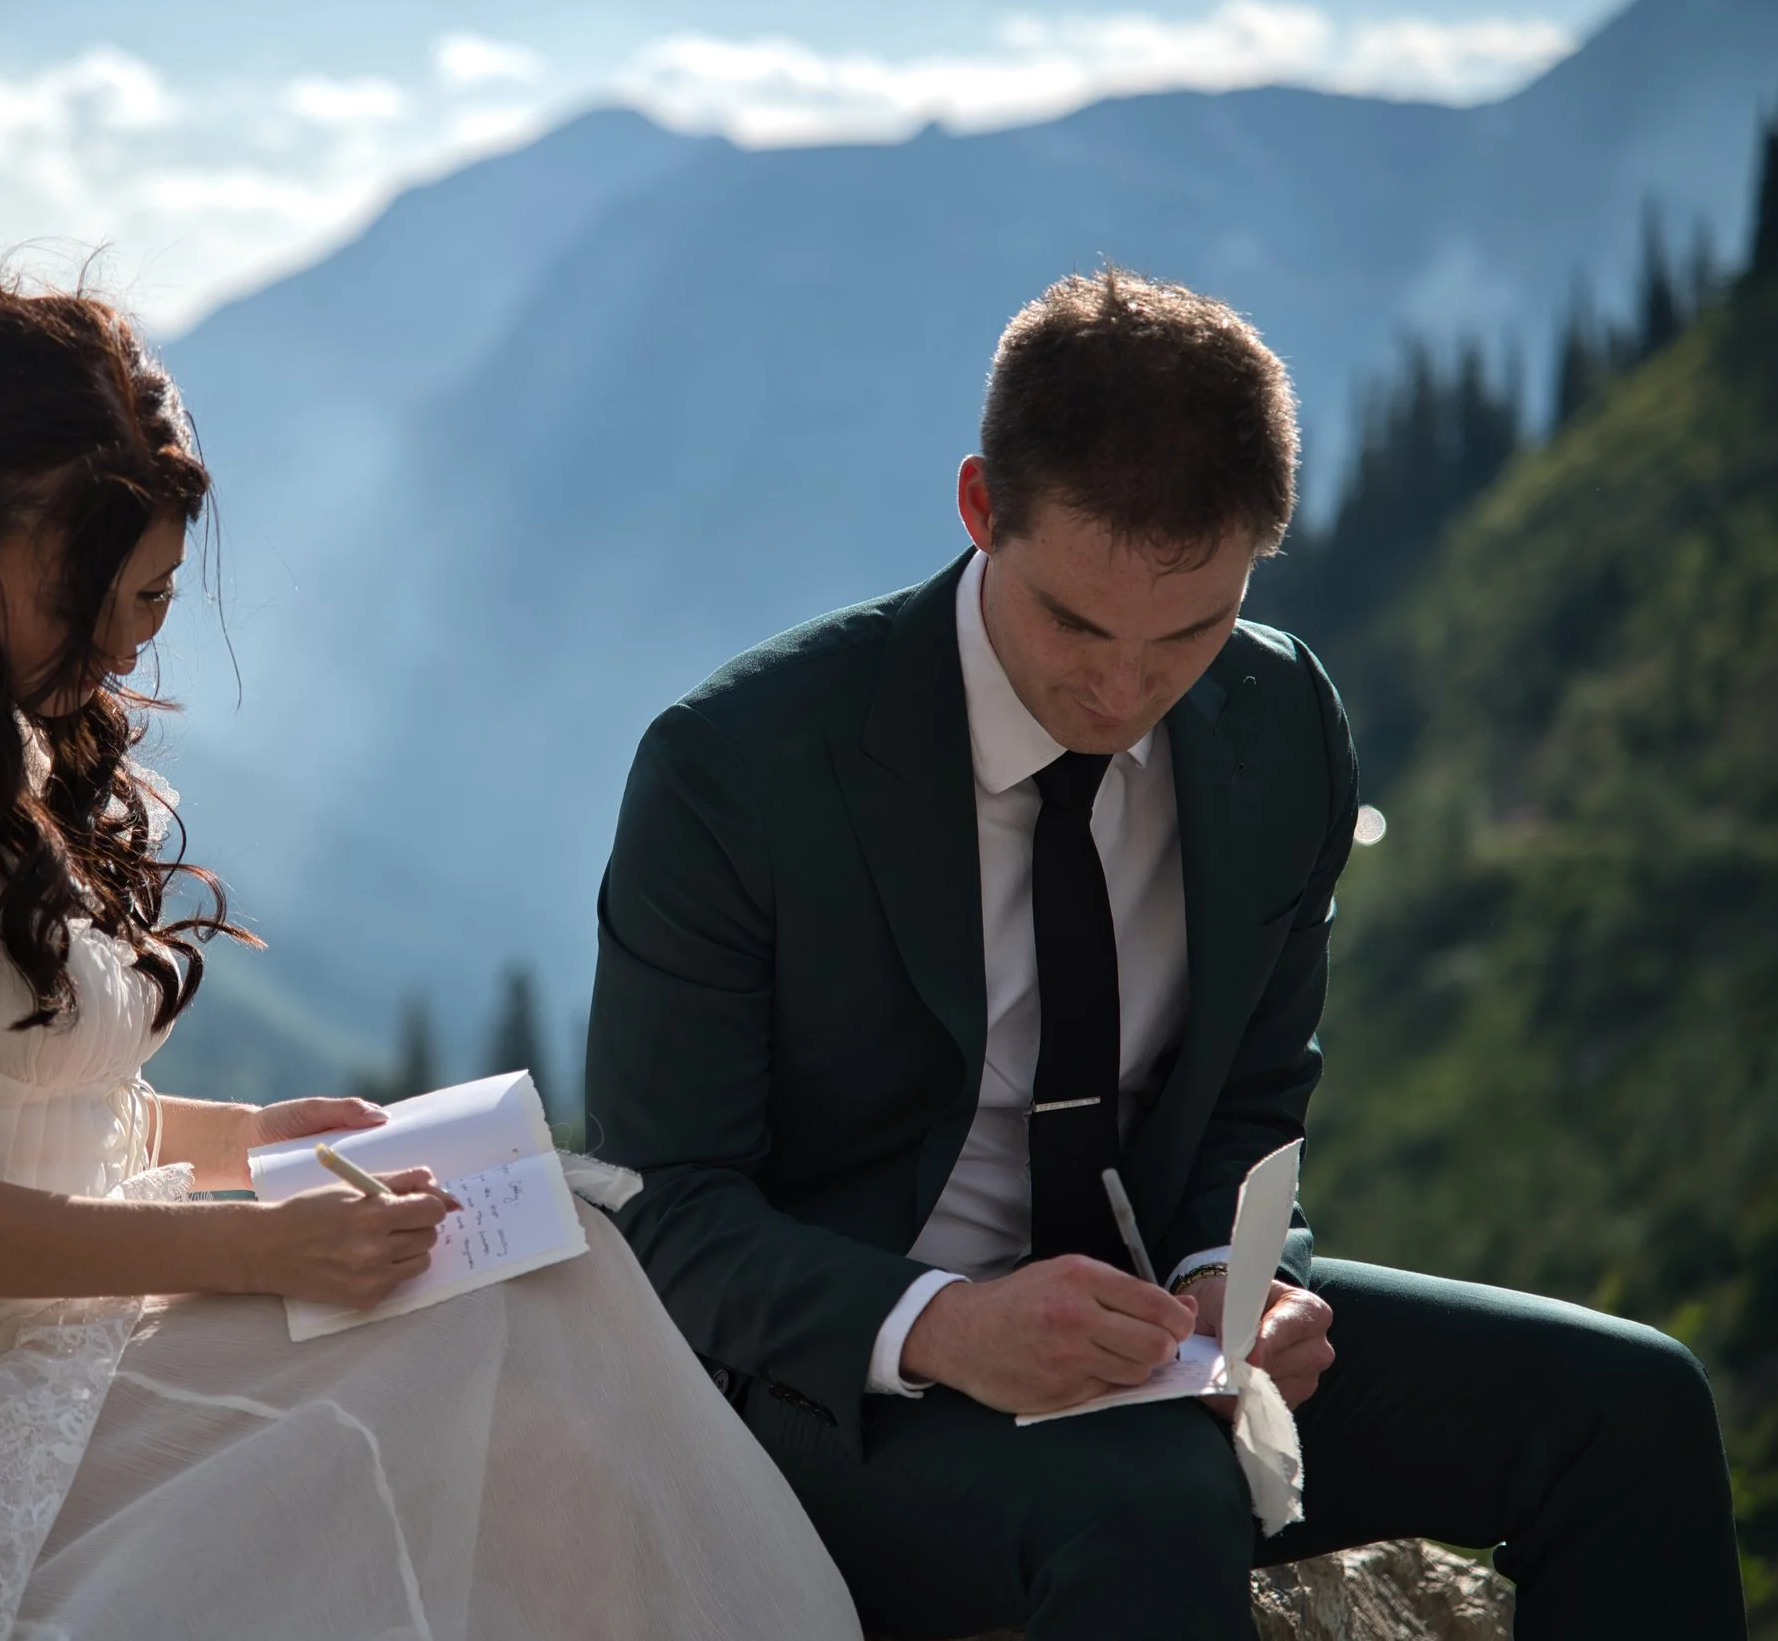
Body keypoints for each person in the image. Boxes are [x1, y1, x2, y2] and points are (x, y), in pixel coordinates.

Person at [0, 260, 863, 1641]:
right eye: (91, 600)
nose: (121, 650)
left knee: (559, 1266)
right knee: (490, 1341)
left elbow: (25, 1112)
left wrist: (260, 1138)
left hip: (59, 1348)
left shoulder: (20, 721)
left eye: (152, 604)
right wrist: (258, 1246)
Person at [585, 266, 1748, 1640]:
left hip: (1164, 1350)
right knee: (1147, 1502)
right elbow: (671, 1207)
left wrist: (1231, 1272)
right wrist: (943, 1319)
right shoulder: (735, 770)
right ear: (978, 511)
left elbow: (1257, 1084)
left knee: (1633, 1406)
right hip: (855, 1394)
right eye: (1074, 622)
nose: (1122, 690)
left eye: (1188, 631)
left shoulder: (1281, 716)